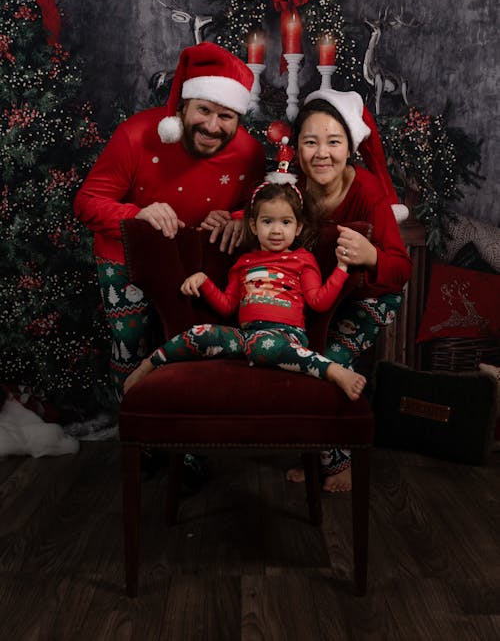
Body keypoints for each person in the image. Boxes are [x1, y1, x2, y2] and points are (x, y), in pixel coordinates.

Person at [74, 42, 266, 401]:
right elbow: (86, 202)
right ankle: (135, 432)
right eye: (204, 110)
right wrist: (137, 214)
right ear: (182, 107)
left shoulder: (250, 152)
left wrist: (240, 219)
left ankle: (185, 438)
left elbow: (258, 206)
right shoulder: (136, 135)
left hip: (197, 261)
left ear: (239, 119)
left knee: (189, 342)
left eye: (226, 116)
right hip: (126, 255)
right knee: (131, 341)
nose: (212, 126)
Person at [123, 181, 366, 401]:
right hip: (246, 338)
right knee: (201, 333)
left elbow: (319, 301)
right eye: (267, 221)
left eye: (286, 222)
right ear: (253, 224)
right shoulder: (244, 263)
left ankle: (332, 370)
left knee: (263, 346)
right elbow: (228, 305)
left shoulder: (302, 260)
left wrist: (342, 268)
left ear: (299, 227)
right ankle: (149, 364)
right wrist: (204, 281)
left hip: (286, 336)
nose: (276, 230)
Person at [286, 89, 413, 493]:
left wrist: (372, 255)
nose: (321, 153)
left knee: (330, 365)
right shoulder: (291, 189)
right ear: (298, 148)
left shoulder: (368, 192)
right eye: (310, 142)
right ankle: (314, 452)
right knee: (296, 363)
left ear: (349, 147)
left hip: (368, 297)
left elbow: (400, 270)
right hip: (317, 297)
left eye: (333, 142)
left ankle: (336, 462)